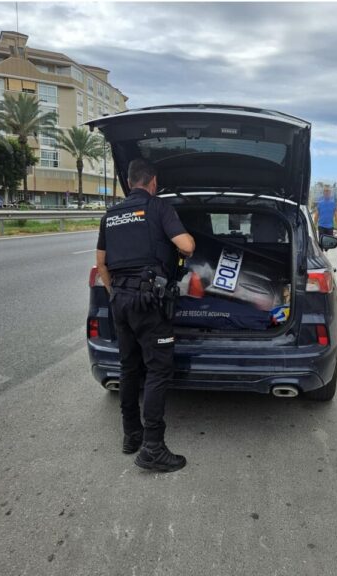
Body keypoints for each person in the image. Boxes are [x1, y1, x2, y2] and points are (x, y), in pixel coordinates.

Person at [95, 159, 195, 472]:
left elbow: (101, 265)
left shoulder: (110, 215)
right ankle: (153, 447)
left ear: (129, 182)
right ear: (152, 182)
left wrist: (115, 294)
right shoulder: (158, 208)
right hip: (148, 303)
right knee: (158, 370)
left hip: (120, 301)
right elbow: (187, 245)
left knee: (129, 367)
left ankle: (131, 435)